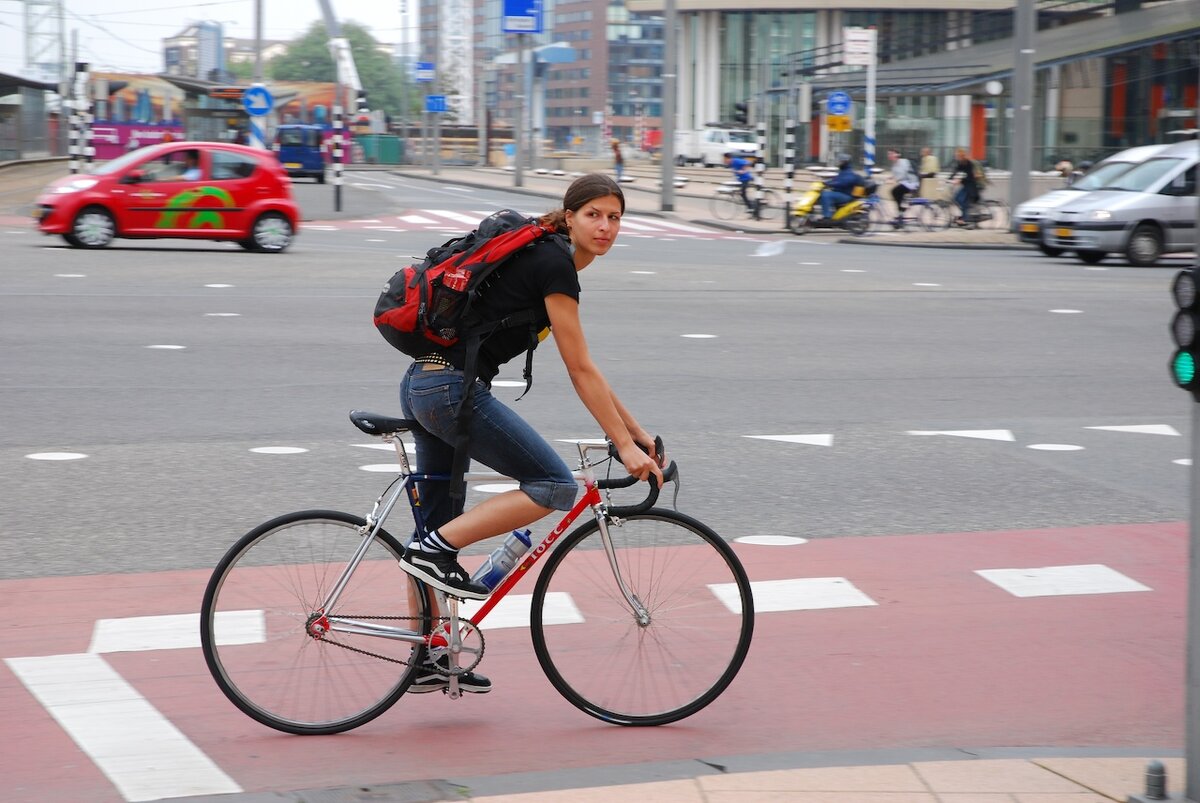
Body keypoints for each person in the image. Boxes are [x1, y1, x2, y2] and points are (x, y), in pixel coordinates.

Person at [396, 173, 664, 693]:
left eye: (614, 217)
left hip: (424, 384)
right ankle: (431, 552)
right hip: (450, 391)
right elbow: (579, 368)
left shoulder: (546, 254)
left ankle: (426, 658)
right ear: (569, 216)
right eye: (594, 215)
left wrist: (636, 432)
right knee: (554, 486)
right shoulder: (554, 263)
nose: (605, 227)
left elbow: (591, 370)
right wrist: (626, 448)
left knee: (433, 532)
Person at [819, 156, 867, 221]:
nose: (839, 163)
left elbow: (843, 182)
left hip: (846, 195)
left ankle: (827, 217)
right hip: (841, 193)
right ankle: (832, 214)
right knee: (821, 194)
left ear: (846, 163)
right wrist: (825, 183)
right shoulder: (843, 172)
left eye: (841, 162)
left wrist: (829, 184)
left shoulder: (849, 173)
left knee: (826, 195)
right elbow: (835, 180)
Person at [947, 147, 980, 225]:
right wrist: (948, 180)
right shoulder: (960, 163)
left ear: (961, 155)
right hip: (965, 185)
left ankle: (965, 218)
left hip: (970, 186)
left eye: (958, 155)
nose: (956, 157)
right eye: (956, 155)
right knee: (956, 198)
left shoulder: (968, 163)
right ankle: (964, 215)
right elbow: (955, 172)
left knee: (962, 201)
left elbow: (969, 176)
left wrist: (960, 180)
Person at [886, 149, 920, 226]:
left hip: (912, 182)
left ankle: (901, 211)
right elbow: (895, 175)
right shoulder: (894, 165)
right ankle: (900, 213)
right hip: (905, 183)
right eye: (888, 154)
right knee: (896, 193)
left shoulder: (904, 162)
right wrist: (889, 178)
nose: (889, 155)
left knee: (895, 191)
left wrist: (893, 180)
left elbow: (902, 175)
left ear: (897, 155)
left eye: (891, 153)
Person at [723, 151, 758, 219]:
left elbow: (747, 163)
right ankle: (751, 209)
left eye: (725, 159)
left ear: (728, 158)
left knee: (743, 193)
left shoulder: (736, 161)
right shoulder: (731, 164)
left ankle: (751, 208)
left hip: (746, 178)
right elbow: (735, 173)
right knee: (741, 193)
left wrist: (743, 171)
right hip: (740, 180)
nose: (724, 161)